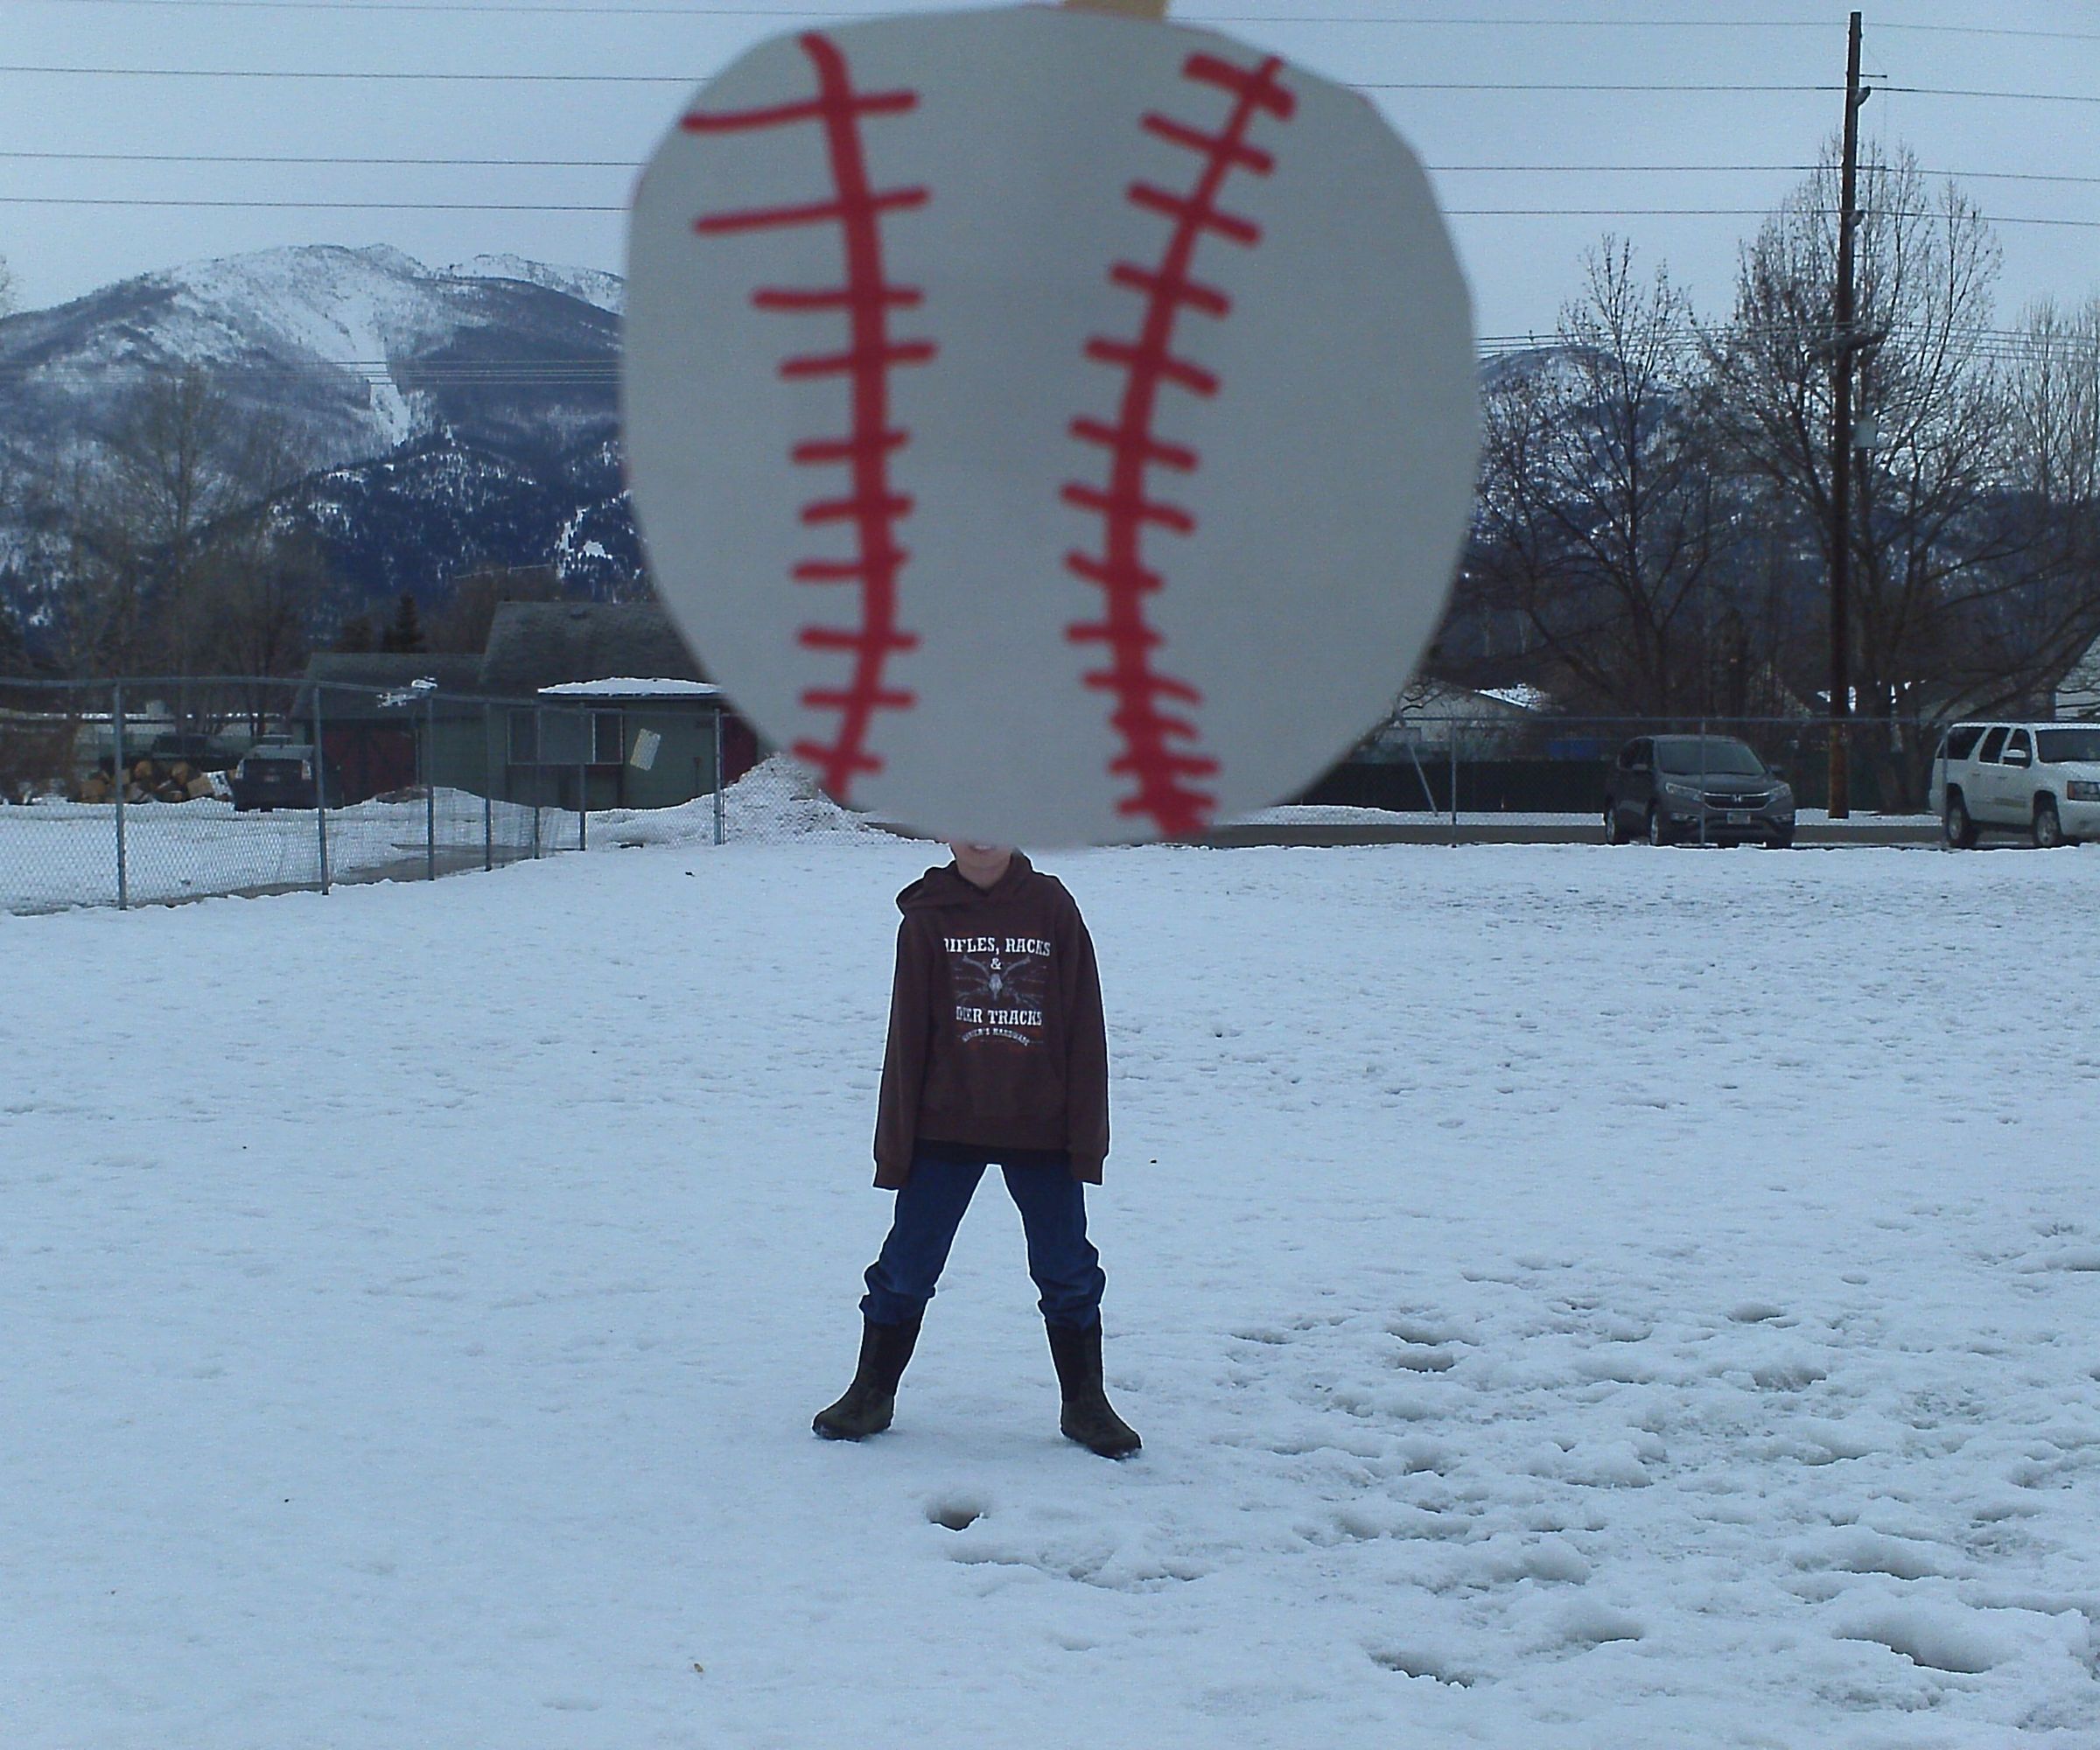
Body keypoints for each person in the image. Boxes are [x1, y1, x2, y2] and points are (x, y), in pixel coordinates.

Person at [813, 841, 1140, 1458]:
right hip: (946, 1124)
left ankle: (1086, 1404)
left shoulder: (1052, 907)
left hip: (1039, 1125)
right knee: (906, 1265)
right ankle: (871, 1392)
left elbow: (1082, 1022)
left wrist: (1085, 1135)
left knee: (1067, 1267)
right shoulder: (927, 917)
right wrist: (897, 1145)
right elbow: (907, 1034)